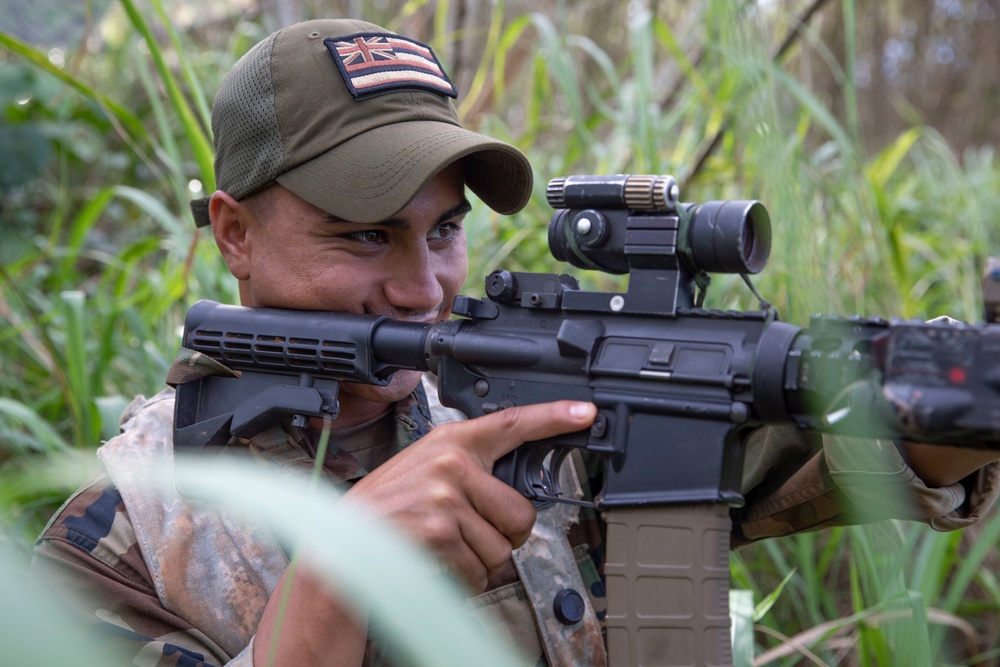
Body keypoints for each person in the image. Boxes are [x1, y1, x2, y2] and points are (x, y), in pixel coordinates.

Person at [31, 18, 1000, 667]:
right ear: (235, 233)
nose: (421, 287)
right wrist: (331, 589)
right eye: (363, 235)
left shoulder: (547, 406)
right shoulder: (124, 532)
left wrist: (960, 392)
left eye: (443, 230)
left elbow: (857, 447)